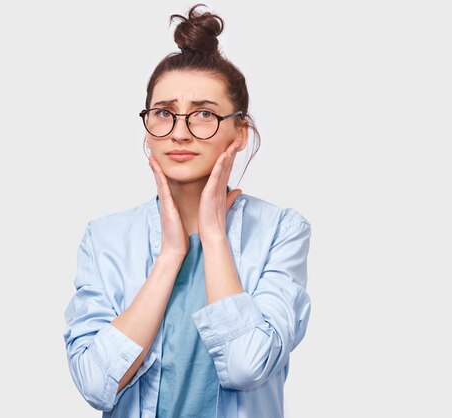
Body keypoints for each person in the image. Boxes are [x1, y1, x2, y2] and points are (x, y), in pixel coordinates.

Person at [63, 4, 312, 417]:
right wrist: (170, 256)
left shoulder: (280, 231)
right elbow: (94, 384)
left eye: (204, 114)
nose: (180, 132)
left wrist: (213, 237)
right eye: (164, 113)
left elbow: (246, 365)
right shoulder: (104, 237)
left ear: (240, 131)